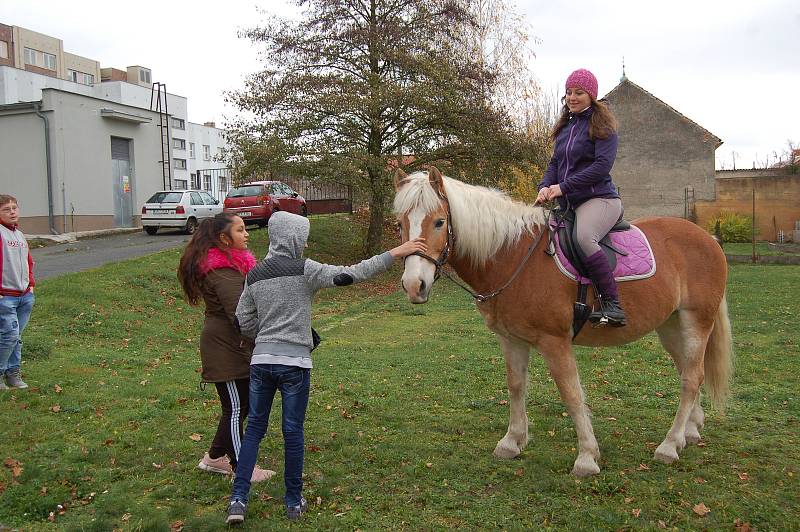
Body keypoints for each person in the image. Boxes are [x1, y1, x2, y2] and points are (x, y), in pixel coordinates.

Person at [225, 211, 426, 525]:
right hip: (295, 365)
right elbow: (350, 274)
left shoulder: (255, 274)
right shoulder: (305, 270)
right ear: (293, 239)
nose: (305, 243)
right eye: (303, 237)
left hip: (262, 362)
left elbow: (243, 321)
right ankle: (293, 501)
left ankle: (238, 500)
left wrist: (266, 336)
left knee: (254, 432)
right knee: (292, 433)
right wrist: (395, 252)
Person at [177, 213, 274, 482]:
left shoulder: (233, 266)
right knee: (235, 408)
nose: (247, 234)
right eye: (240, 230)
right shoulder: (222, 270)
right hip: (224, 347)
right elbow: (240, 314)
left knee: (241, 405)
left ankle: (214, 458)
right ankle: (242, 468)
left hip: (235, 344)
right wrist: (265, 335)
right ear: (223, 238)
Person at [535, 68, 626, 326]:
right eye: (569, 92)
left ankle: (612, 304)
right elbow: (555, 163)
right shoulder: (566, 128)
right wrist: (545, 185)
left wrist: (563, 187)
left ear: (592, 96)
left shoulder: (604, 127)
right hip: (569, 202)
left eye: (579, 92)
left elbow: (601, 168)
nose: (572, 97)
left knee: (585, 238)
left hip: (600, 200)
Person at [0, 195, 35, 390]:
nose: (12, 211)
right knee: (9, 336)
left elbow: (28, 261)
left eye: (15, 207)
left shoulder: (19, 235)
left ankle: (12, 373)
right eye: (6, 209)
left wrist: (31, 284)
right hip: (6, 296)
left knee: (17, 337)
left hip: (24, 295)